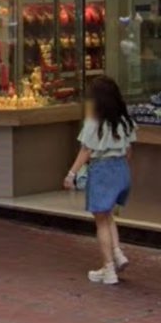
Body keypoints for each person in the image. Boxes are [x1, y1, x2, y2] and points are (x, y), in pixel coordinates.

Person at [63, 76, 135, 285]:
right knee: (108, 214)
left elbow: (86, 150)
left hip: (102, 169)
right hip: (121, 168)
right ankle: (117, 253)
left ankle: (109, 269)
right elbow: (130, 151)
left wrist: (71, 174)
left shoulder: (94, 122)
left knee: (101, 221)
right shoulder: (124, 120)